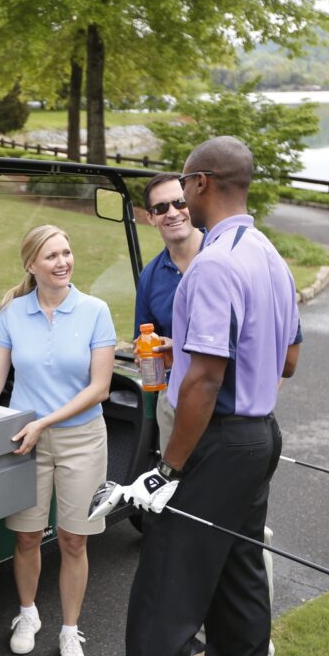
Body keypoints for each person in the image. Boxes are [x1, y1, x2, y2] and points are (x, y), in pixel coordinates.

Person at [95, 136, 302, 656]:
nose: (182, 198)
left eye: (185, 186)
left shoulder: (213, 264)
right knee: (238, 576)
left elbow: (205, 380)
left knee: (164, 593)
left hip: (217, 442)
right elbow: (288, 360)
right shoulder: (269, 254)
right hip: (260, 437)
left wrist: (168, 468)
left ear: (203, 182)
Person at [0, 224, 117, 656]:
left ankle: (70, 630)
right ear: (31, 264)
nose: (63, 262)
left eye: (67, 252)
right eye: (51, 256)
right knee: (27, 537)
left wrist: (44, 422)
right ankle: (27, 613)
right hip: (27, 441)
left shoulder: (95, 311)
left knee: (73, 539)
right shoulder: (12, 315)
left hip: (82, 439)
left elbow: (99, 387)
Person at [133, 172, 204, 451]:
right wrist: (145, 352)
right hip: (174, 404)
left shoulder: (224, 254)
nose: (173, 213)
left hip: (229, 403)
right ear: (150, 217)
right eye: (161, 208)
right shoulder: (149, 277)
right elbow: (145, 342)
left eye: (179, 203)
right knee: (176, 491)